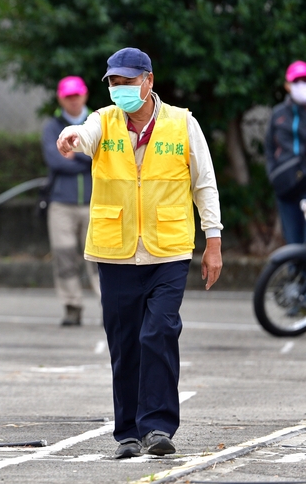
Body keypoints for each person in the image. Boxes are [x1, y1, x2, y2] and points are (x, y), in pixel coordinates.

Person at [56, 47, 223, 458]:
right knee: (125, 342)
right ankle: (128, 432)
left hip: (168, 250)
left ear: (148, 81)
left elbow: (205, 183)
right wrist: (72, 137)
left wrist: (213, 241)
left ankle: (158, 427)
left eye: (128, 81)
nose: (120, 89)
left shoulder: (182, 123)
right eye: (113, 82)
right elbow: (84, 134)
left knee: (160, 332)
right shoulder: (103, 120)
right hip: (115, 253)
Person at [41, 76, 101, 326]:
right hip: (61, 203)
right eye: (68, 96)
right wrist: (86, 156)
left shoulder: (97, 122)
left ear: (85, 95)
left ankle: (109, 306)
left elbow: (104, 155)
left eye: (77, 95)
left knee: (101, 258)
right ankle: (72, 305)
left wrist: (72, 155)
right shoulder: (52, 126)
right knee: (64, 257)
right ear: (60, 98)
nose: (73, 101)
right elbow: (55, 160)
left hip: (96, 201)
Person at [265, 60, 306, 244]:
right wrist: (273, 174)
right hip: (286, 185)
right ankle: (293, 272)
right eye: (296, 81)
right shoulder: (278, 113)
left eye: (304, 80)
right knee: (292, 240)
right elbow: (269, 147)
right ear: (287, 85)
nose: (301, 85)